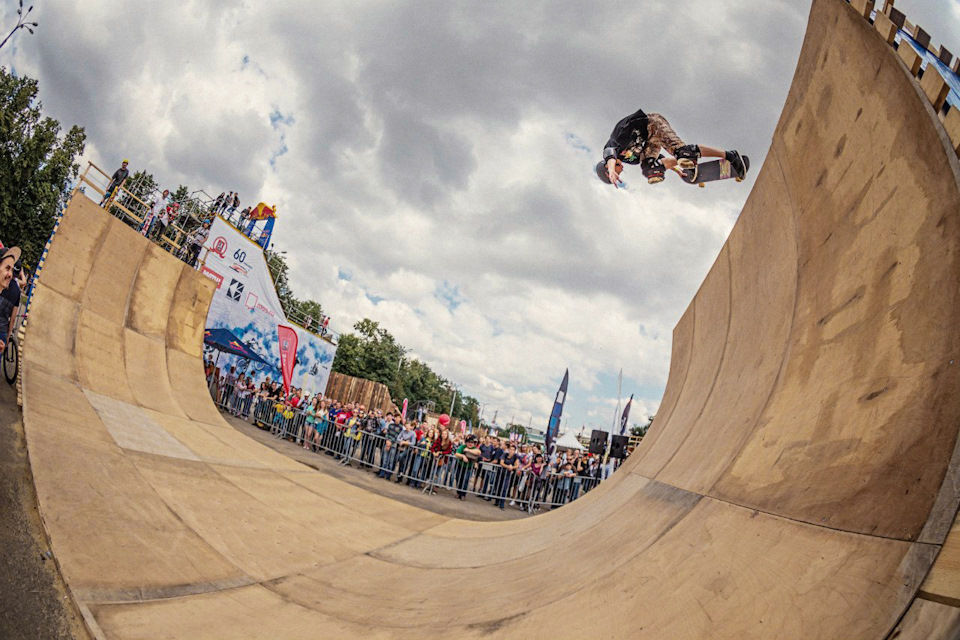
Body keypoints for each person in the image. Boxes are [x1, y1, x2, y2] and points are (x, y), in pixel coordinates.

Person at [596, 108, 746, 186]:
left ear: (607, 168)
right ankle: (688, 162)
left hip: (651, 124)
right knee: (650, 168)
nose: (620, 172)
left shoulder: (612, 145)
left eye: (616, 172)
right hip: (650, 142)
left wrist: (610, 169)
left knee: (684, 153)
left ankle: (729, 155)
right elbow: (660, 159)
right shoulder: (631, 159)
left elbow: (609, 154)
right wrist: (678, 170)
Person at [0, 247, 22, 351]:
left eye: (12, 270)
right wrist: (8, 335)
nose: (10, 274)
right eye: (7, 268)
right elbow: (12, 319)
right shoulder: (17, 291)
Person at [454, 435, 481, 500]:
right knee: (458, 479)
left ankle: (463, 494)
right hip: (460, 465)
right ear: (466, 442)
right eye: (469, 442)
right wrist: (463, 456)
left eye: (472, 442)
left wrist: (468, 450)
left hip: (468, 467)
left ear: (474, 443)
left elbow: (478, 452)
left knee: (465, 480)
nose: (470, 444)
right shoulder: (462, 447)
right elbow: (457, 453)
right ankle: (458, 493)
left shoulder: (474, 448)